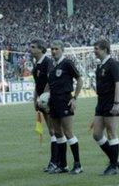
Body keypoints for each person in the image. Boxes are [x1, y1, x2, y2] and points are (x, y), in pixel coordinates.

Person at [46, 41, 84, 175]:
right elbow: (49, 85)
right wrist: (44, 98)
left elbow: (79, 79)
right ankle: (63, 165)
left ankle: (78, 164)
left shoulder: (67, 63)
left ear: (62, 50)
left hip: (64, 100)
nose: (54, 51)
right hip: (53, 102)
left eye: (56, 49)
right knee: (57, 133)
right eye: (52, 49)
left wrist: (74, 98)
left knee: (68, 132)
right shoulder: (52, 67)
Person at [92, 39, 119, 176]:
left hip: (111, 102)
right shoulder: (99, 66)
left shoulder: (113, 64)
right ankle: (114, 160)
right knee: (97, 134)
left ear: (105, 49)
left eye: (97, 48)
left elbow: (118, 85)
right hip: (101, 103)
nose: (95, 51)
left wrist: (116, 104)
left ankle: (113, 166)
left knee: (111, 133)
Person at [29, 39, 57, 172]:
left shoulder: (48, 62)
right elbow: (37, 84)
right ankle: (55, 162)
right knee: (52, 131)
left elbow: (50, 81)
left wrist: (45, 97)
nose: (31, 49)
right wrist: (35, 100)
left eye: (33, 47)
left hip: (49, 100)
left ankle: (56, 162)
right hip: (42, 100)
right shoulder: (36, 64)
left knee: (56, 131)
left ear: (41, 49)